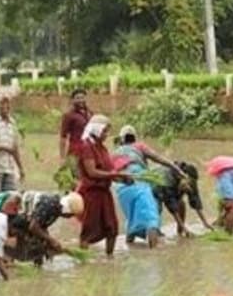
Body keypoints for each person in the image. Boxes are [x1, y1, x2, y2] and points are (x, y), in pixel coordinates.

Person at [113, 125, 178, 248]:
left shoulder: (116, 152)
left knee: (131, 219)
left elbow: (109, 172)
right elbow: (159, 158)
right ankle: (154, 254)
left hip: (122, 188)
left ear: (122, 139)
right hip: (139, 182)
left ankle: (130, 251)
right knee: (151, 219)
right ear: (134, 138)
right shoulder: (139, 146)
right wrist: (175, 167)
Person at [76, 114, 131, 256]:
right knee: (89, 229)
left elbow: (110, 171)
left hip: (104, 192)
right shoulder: (86, 147)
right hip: (91, 194)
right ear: (96, 129)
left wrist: (123, 180)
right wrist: (116, 175)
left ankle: (109, 257)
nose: (106, 135)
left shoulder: (103, 149)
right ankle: (83, 259)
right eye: (105, 131)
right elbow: (92, 172)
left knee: (112, 227)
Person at [0, 191, 82, 264]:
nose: (70, 217)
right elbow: (33, 227)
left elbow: (42, 225)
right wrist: (51, 240)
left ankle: (36, 266)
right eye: (71, 215)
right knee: (16, 246)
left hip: (23, 219)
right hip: (12, 218)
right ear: (67, 211)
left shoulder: (56, 206)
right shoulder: (50, 206)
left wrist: (50, 243)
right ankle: (8, 264)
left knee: (40, 244)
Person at [150, 161, 214, 237]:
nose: (188, 186)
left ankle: (180, 231)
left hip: (173, 187)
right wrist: (185, 229)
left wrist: (205, 223)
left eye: (190, 184)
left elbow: (195, 201)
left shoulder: (191, 180)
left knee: (181, 204)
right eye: (186, 184)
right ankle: (155, 231)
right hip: (156, 186)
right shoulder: (168, 179)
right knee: (157, 208)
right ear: (182, 177)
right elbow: (172, 208)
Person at [59, 89, 93, 161]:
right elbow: (63, 137)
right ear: (72, 100)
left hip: (90, 148)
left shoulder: (90, 113)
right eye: (78, 98)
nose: (81, 100)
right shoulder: (69, 115)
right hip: (76, 150)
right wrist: (62, 157)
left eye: (82, 97)